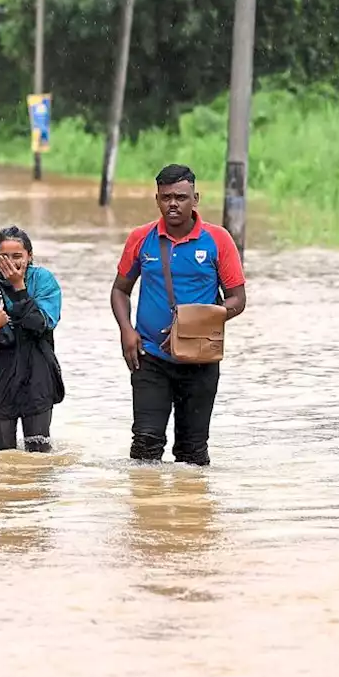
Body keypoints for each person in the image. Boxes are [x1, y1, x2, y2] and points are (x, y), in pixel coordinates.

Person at [111, 164, 246, 466]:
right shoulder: (140, 238)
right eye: (166, 197)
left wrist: (198, 319)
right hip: (149, 358)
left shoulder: (218, 240)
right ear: (157, 199)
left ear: (195, 198)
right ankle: (146, 509)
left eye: (181, 197)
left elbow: (238, 299)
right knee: (145, 445)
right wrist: (126, 330)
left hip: (201, 360)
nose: (173, 204)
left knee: (192, 454)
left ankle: (192, 511)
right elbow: (120, 290)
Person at [0, 226, 64, 452]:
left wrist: (19, 287)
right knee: (1, 457)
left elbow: (41, 324)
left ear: (29, 256)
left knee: (39, 456)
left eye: (17, 256)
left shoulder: (44, 281)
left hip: (38, 378)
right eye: (4, 257)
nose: (11, 262)